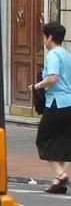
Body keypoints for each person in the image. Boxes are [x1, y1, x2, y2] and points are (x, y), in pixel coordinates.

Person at [33, 22, 71, 194]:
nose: (43, 40)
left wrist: (37, 85)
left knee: (43, 138)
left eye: (44, 36)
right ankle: (59, 182)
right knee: (63, 141)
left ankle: (61, 174)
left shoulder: (53, 55)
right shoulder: (67, 54)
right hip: (69, 102)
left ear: (50, 37)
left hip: (56, 102)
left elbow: (53, 78)